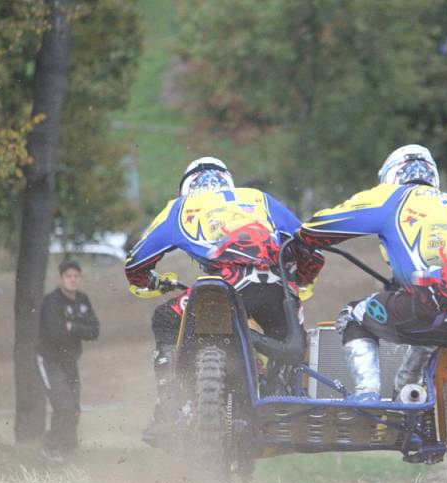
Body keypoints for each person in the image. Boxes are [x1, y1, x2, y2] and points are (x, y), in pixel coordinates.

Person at [124, 156, 323, 440]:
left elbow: (136, 263)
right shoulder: (258, 199)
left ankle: (169, 405)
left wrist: (151, 282)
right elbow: (309, 245)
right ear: (227, 180)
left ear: (187, 186)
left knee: (166, 317)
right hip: (275, 285)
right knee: (289, 339)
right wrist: (299, 280)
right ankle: (280, 394)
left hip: (224, 285)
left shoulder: (180, 208)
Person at [298, 144, 447, 402]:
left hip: (420, 310)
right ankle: (407, 391)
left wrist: (303, 236)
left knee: (353, 317)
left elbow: (323, 226)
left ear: (392, 174)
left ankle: (367, 394)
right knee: (428, 325)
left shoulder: (393, 196)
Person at [37, 259, 100, 463]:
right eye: (68, 276)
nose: (72, 280)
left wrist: (72, 327)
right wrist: (76, 329)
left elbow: (94, 331)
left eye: (76, 276)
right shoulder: (52, 301)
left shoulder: (82, 300)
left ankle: (69, 450)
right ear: (61, 279)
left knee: (74, 408)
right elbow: (56, 332)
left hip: (69, 361)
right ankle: (50, 448)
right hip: (49, 359)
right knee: (63, 405)